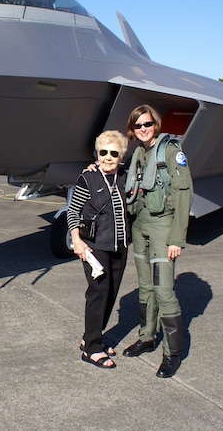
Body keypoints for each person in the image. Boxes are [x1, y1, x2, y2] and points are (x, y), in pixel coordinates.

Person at [122, 104, 193, 378]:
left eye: (147, 124)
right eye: (138, 125)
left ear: (156, 124)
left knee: (163, 291)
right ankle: (147, 337)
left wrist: (177, 238)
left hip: (163, 227)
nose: (143, 129)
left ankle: (172, 354)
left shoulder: (171, 152)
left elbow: (184, 193)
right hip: (140, 226)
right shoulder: (139, 153)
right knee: (145, 287)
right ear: (133, 129)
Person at [67, 130, 129, 369]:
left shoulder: (125, 177)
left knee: (111, 292)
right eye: (103, 152)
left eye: (114, 153)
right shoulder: (88, 178)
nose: (108, 157)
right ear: (97, 153)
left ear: (121, 156)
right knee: (98, 292)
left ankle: (92, 337)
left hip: (119, 244)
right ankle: (92, 349)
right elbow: (73, 210)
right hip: (94, 246)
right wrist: (77, 240)